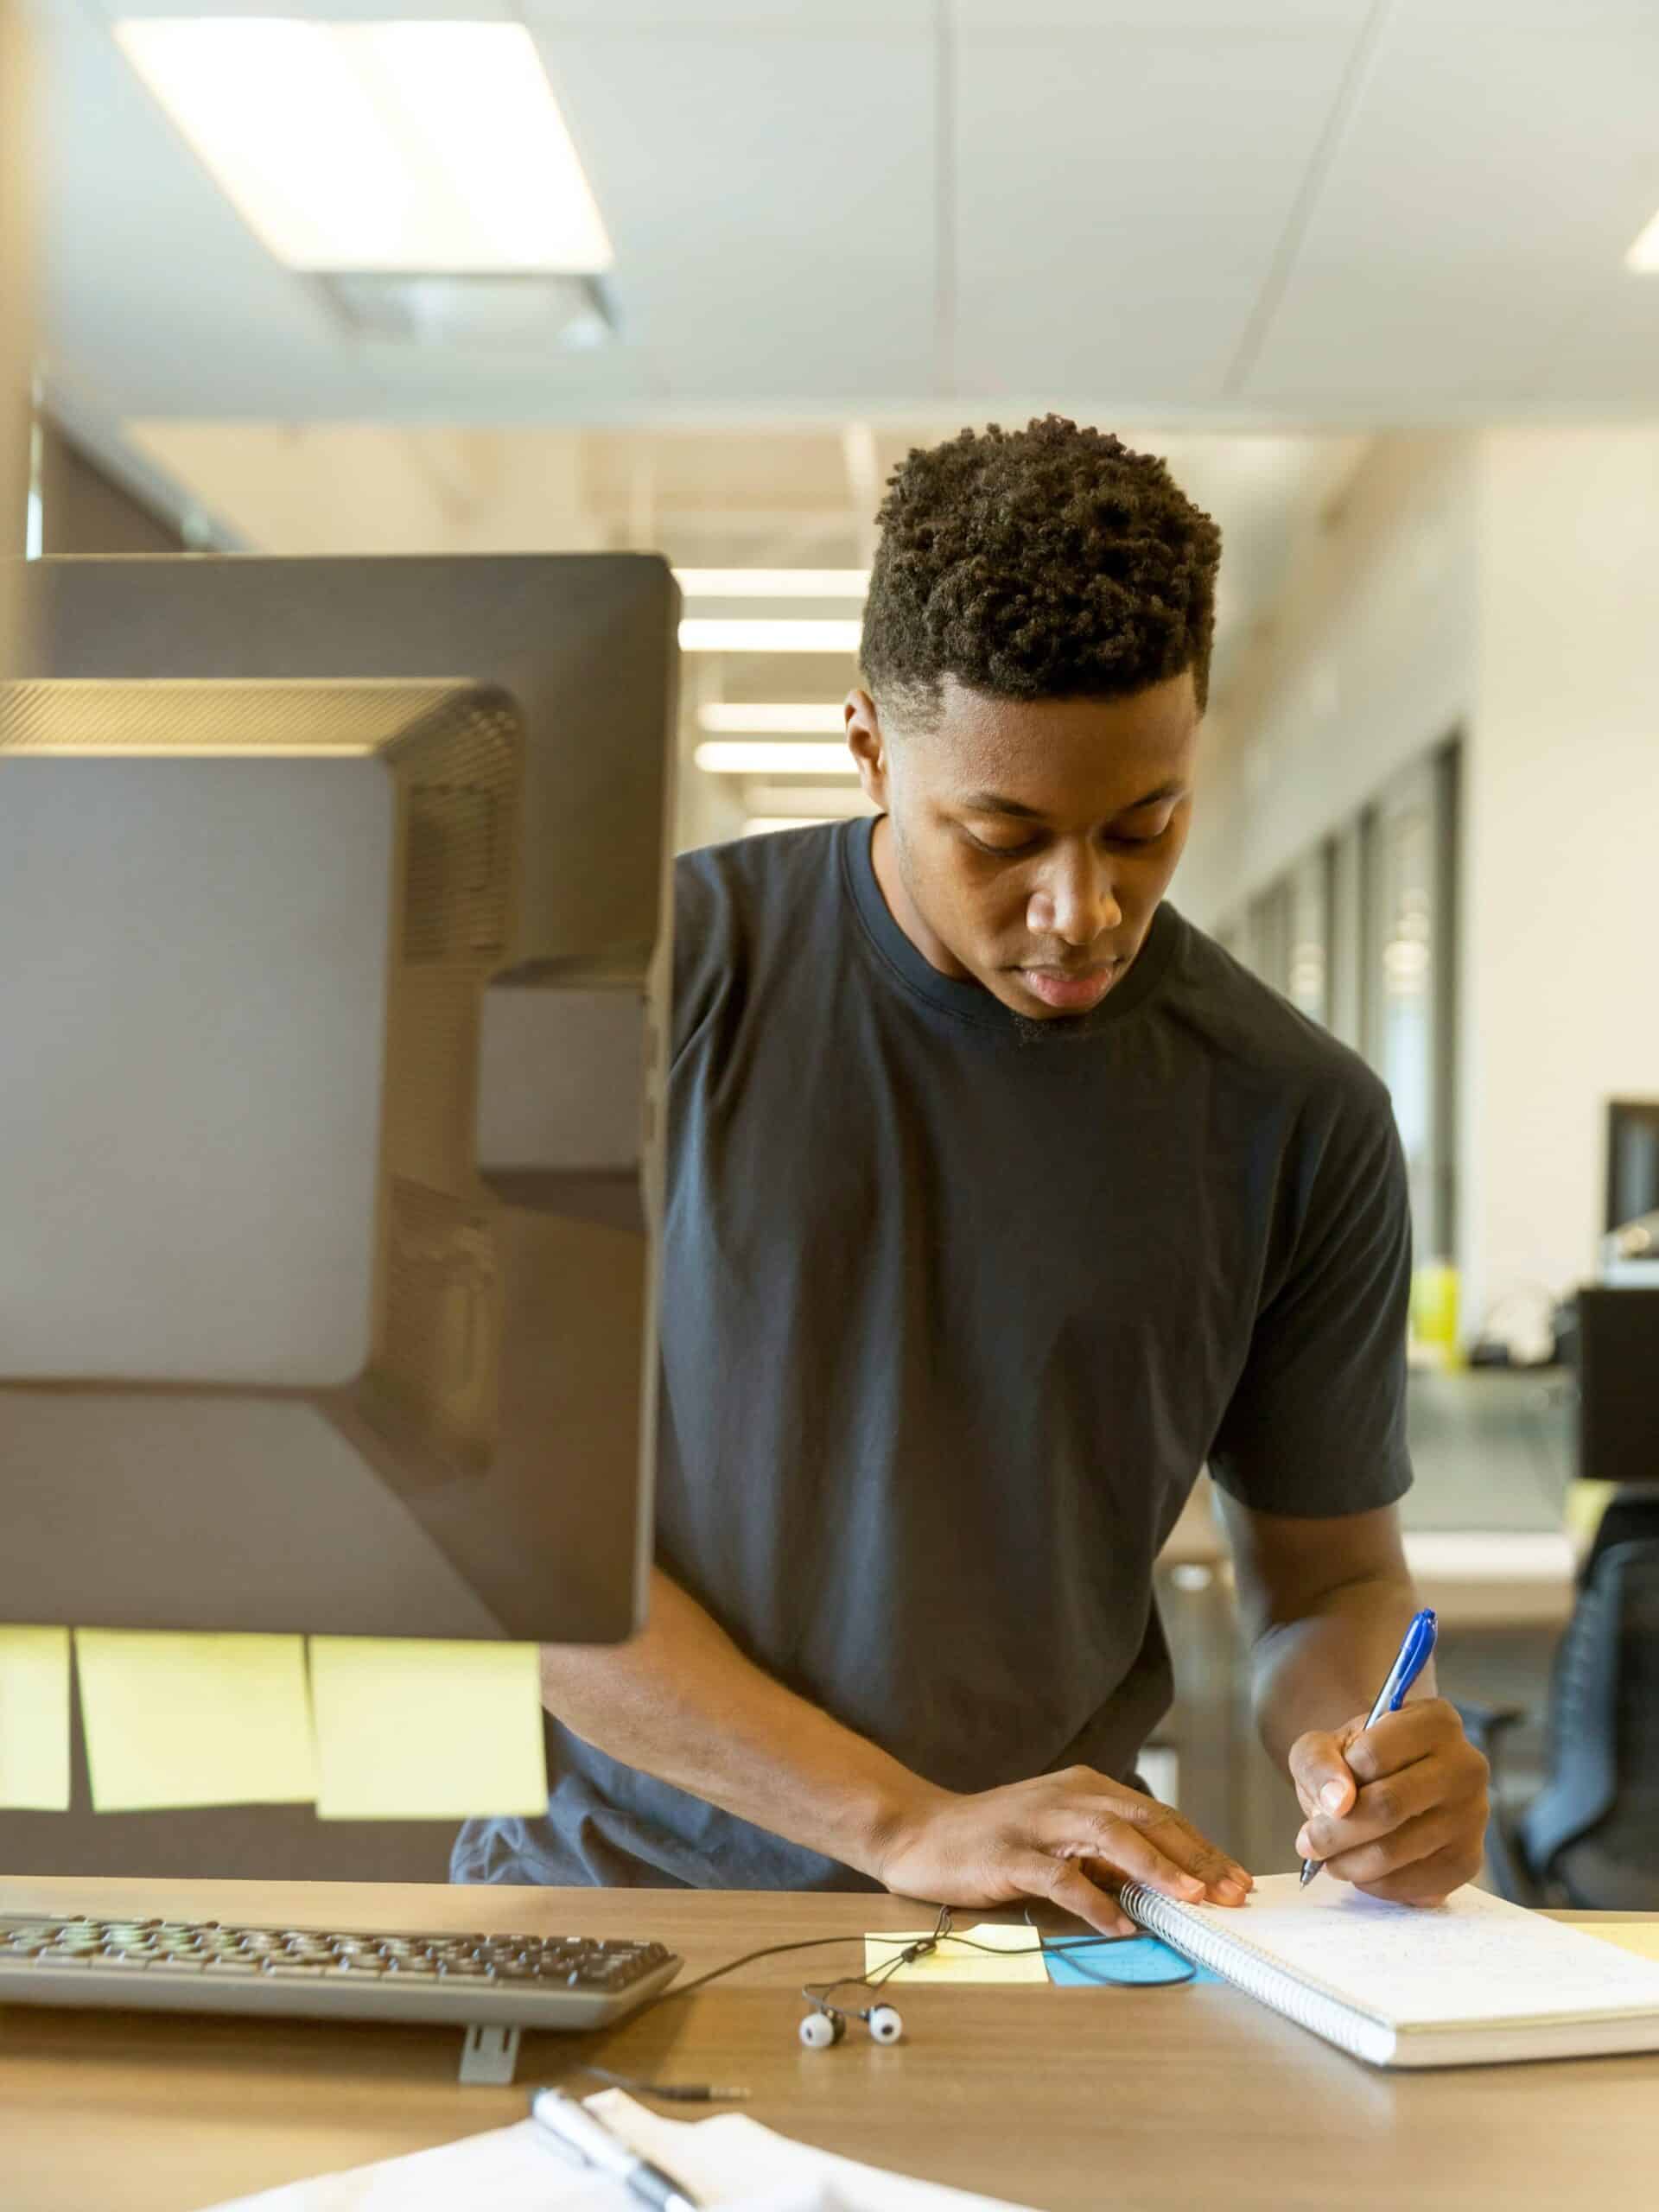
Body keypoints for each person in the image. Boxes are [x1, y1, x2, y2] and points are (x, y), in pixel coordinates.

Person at [454, 417, 1488, 1930]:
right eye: (1004, 836)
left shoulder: (1296, 1113)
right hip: (617, 1904)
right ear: (870, 742)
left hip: (1038, 1925)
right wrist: (894, 1820)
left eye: (1146, 827)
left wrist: (1374, 1763)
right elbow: (505, 1542)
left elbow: (1330, 1588)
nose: (1084, 908)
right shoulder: (638, 993)